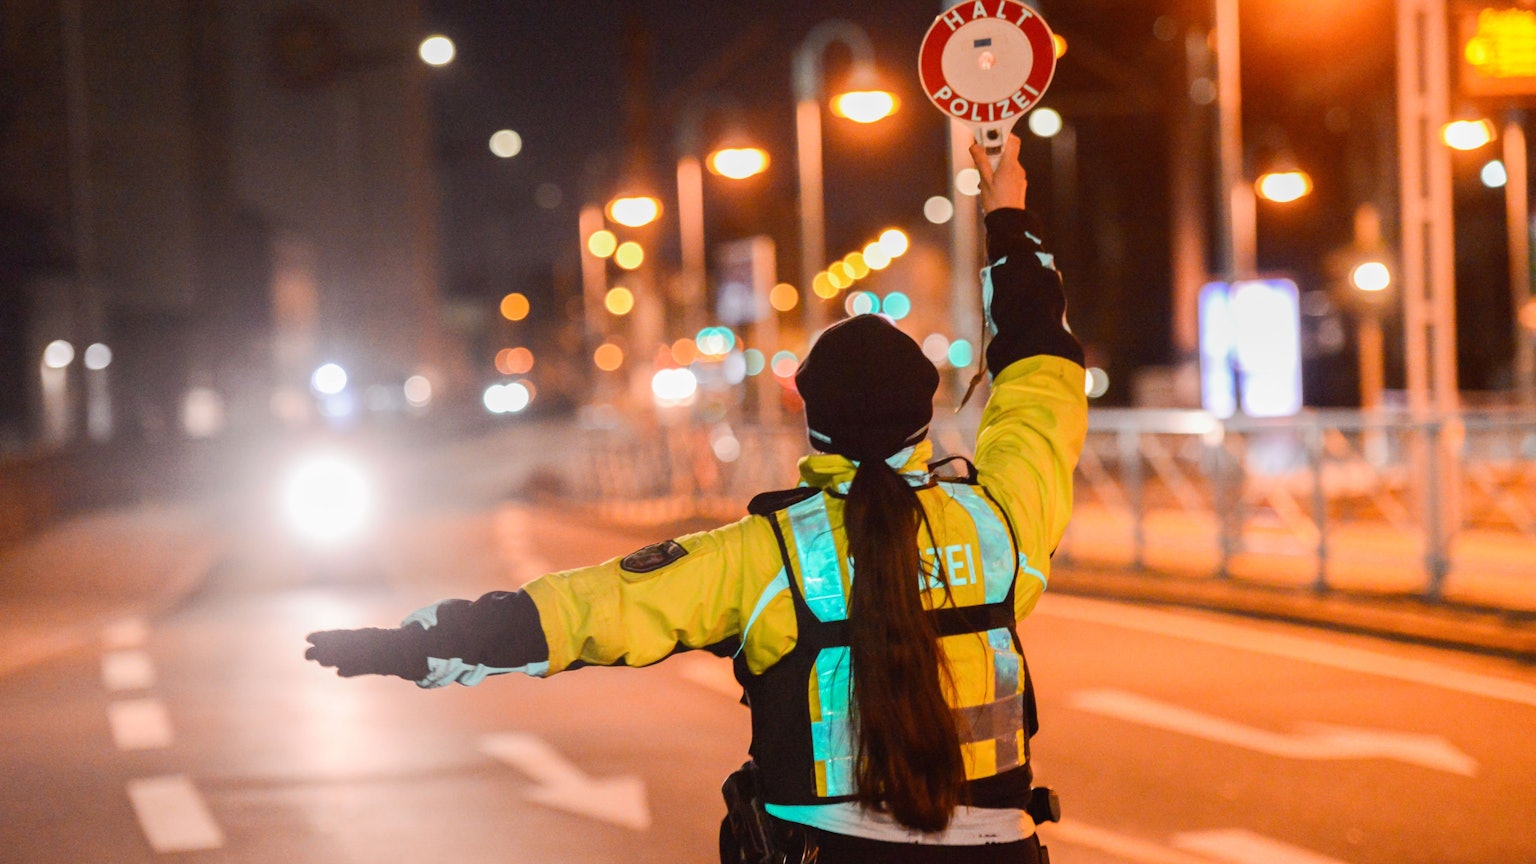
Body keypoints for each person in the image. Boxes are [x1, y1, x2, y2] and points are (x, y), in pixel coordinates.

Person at [305, 133, 1087, 864]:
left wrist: (417, 645)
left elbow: (588, 610)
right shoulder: (1000, 526)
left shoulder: (767, 557)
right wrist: (1007, 212)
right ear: (926, 417)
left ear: (814, 428)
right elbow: (1039, 374)